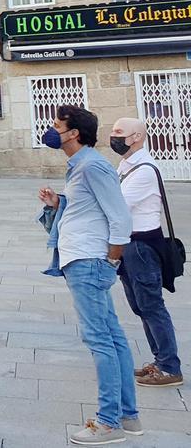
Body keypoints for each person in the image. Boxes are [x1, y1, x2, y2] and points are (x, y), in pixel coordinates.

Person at [37, 106, 139, 445]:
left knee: (100, 341)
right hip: (84, 259)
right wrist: (59, 203)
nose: (52, 131)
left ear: (74, 133)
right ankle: (128, 415)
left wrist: (110, 263)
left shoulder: (93, 166)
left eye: (57, 126)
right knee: (113, 337)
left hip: (89, 262)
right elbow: (90, 209)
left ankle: (108, 421)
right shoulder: (79, 166)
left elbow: (121, 219)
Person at [111, 118, 182, 387]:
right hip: (128, 244)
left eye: (120, 133)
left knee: (152, 306)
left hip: (142, 246)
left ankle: (170, 367)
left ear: (137, 137)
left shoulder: (144, 170)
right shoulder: (127, 166)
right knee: (140, 306)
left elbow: (118, 205)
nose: (113, 136)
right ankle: (160, 360)